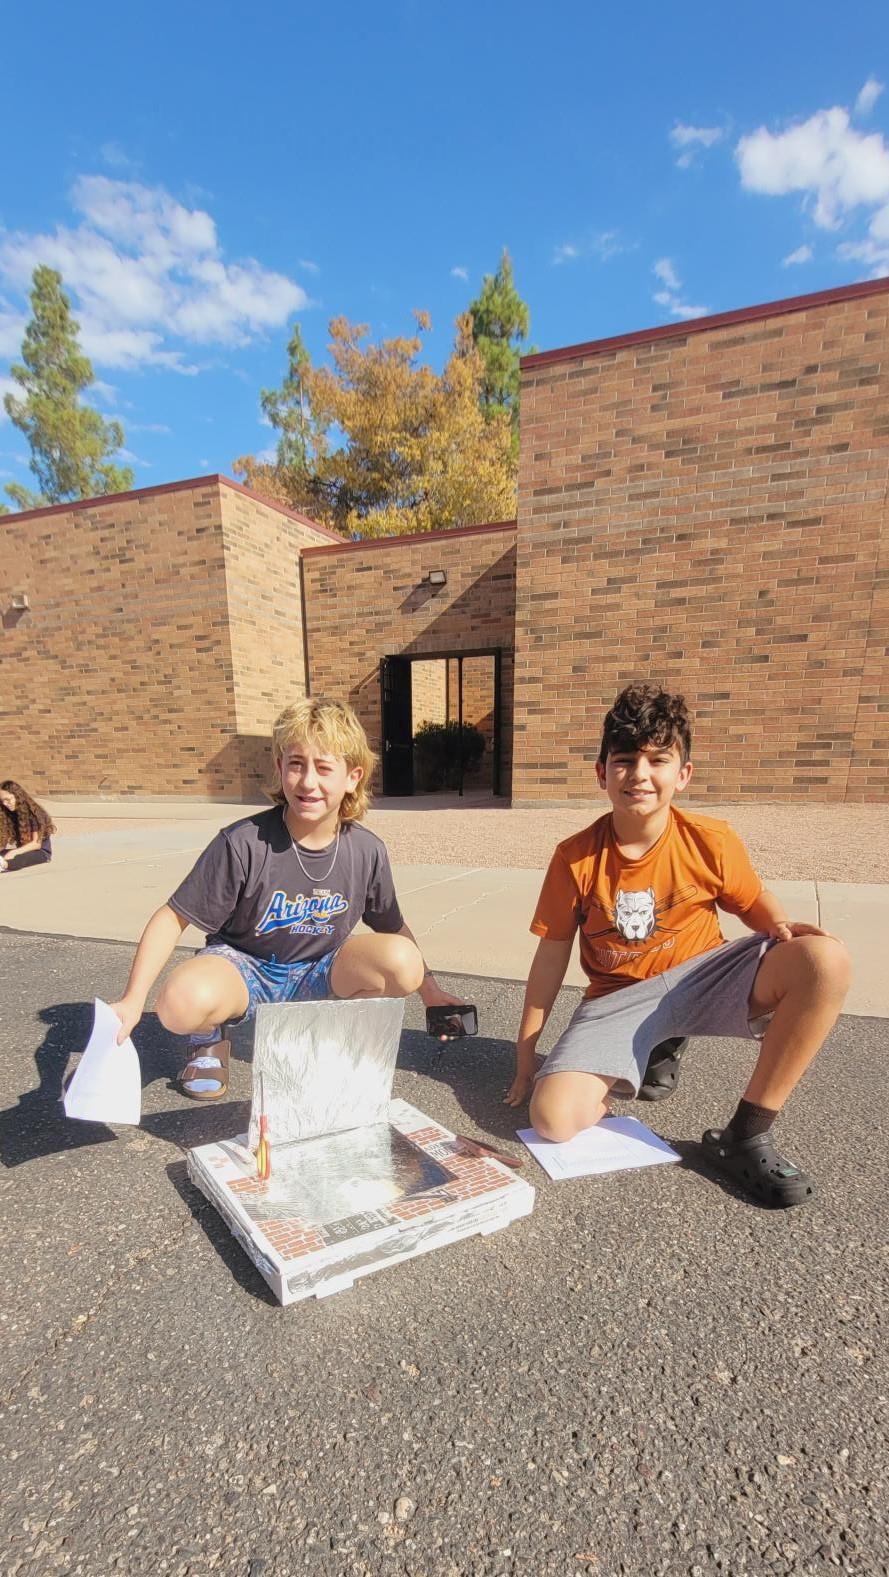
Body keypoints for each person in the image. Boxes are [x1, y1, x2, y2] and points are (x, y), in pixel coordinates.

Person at [505, 683, 851, 1208]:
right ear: (602, 773)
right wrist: (528, 1049)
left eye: (657, 760)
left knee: (824, 961)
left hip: (701, 976)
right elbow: (551, 954)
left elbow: (753, 902)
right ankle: (648, 1049)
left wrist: (782, 926)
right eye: (624, 761)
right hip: (617, 998)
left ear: (682, 774)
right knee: (552, 1121)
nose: (639, 775)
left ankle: (748, 1132)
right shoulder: (574, 858)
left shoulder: (710, 840)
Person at [109, 698, 465, 1099]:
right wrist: (133, 1000)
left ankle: (319, 1035)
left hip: (320, 968)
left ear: (353, 777)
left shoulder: (367, 851)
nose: (307, 781)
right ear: (280, 768)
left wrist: (430, 991)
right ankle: (208, 1038)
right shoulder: (243, 841)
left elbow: (392, 925)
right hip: (245, 966)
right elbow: (171, 918)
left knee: (403, 962)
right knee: (179, 1004)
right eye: (296, 763)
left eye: (324, 767)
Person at [0, 780, 55, 872]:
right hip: (23, 850)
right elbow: (4, 840)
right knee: (6, 854)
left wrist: (14, 852)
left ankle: (4, 865)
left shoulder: (34, 814)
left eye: (8, 799)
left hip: (40, 852)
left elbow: (36, 844)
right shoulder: (9, 814)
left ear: (17, 796)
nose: (5, 804)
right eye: (2, 801)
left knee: (19, 858)